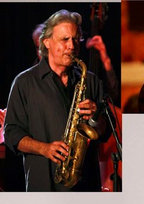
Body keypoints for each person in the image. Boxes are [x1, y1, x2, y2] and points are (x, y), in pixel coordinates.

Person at [3, 8, 110, 191]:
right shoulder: (24, 82)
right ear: (46, 43)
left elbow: (105, 131)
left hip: (86, 186)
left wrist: (95, 118)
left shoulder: (90, 80)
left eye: (76, 39)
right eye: (65, 39)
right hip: (45, 185)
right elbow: (12, 134)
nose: (72, 46)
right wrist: (45, 148)